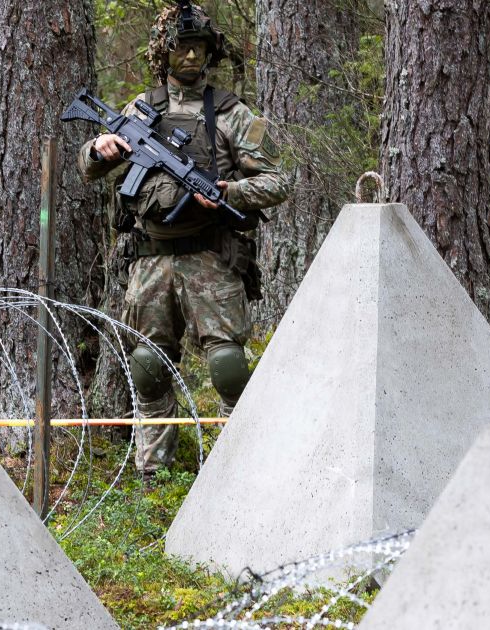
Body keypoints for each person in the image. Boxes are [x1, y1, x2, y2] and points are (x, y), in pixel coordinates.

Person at [76, 3, 289, 479]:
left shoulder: (233, 114)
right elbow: (86, 167)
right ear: (164, 53)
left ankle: (243, 475)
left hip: (211, 258)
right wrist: (98, 148)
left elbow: (279, 182)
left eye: (199, 47)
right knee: (149, 369)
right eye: (181, 46)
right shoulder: (140, 109)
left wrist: (228, 191)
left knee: (229, 368)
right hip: (149, 260)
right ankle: (155, 479)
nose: (191, 55)